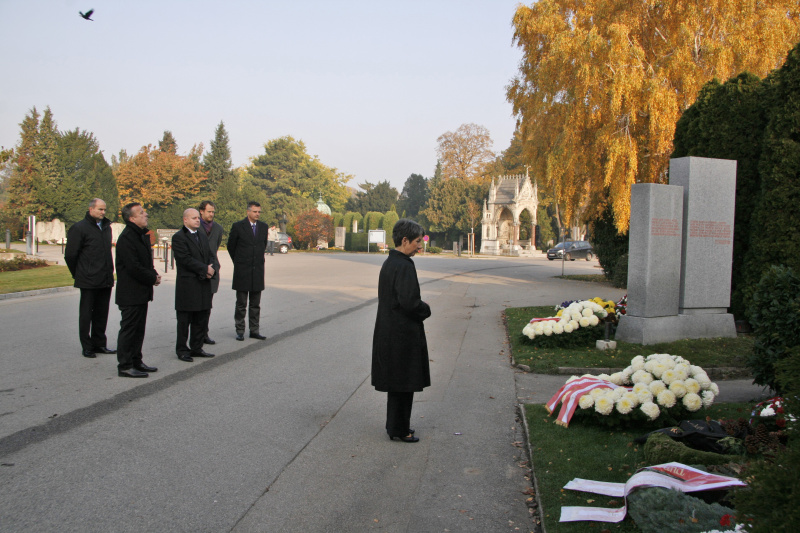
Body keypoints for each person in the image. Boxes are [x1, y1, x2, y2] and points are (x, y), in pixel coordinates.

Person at [371, 219, 431, 443]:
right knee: (404, 383)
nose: (419, 246)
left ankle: (396, 426)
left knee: (398, 384)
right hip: (402, 333)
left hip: (390, 330)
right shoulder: (404, 265)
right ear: (404, 240)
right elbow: (410, 303)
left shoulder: (390, 262)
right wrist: (426, 309)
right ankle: (400, 429)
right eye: (417, 242)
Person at [64, 198, 116, 358]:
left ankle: (99, 343)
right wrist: (79, 273)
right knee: (87, 314)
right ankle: (87, 346)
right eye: (100, 209)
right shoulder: (79, 228)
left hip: (105, 277)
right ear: (91, 209)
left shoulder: (106, 228)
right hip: (88, 279)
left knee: (102, 313)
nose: (103, 212)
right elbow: (71, 255)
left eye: (104, 210)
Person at [115, 202, 161, 378]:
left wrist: (154, 274)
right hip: (130, 293)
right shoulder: (127, 238)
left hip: (141, 292)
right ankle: (125, 365)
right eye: (141, 213)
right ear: (132, 218)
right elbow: (133, 267)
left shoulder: (140, 236)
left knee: (139, 329)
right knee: (129, 329)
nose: (146, 214)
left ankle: (136, 360)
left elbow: (145, 263)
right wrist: (152, 278)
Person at [172, 208, 216, 362]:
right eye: (194, 218)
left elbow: (210, 255)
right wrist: (205, 269)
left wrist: (212, 269)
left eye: (198, 218)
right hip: (188, 284)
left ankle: (197, 347)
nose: (198, 220)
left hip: (203, 283)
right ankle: (182, 350)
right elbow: (185, 259)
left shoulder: (201, 236)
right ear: (185, 220)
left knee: (201, 317)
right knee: (185, 320)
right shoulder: (179, 237)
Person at [227, 201, 269, 341]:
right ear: (248, 212)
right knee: (241, 304)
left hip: (257, 270)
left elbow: (262, 245)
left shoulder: (263, 227)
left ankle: (254, 330)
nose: (257, 214)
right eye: (255, 211)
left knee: (255, 304)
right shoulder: (238, 226)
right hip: (242, 270)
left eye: (259, 212)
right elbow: (231, 246)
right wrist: (239, 262)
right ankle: (240, 330)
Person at [199, 200, 223, 344]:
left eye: (213, 211)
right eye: (209, 211)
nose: (211, 214)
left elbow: (215, 247)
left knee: (208, 305)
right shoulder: (195, 227)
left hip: (213, 270)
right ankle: (196, 334)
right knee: (197, 305)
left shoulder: (218, 228)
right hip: (198, 270)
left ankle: (204, 333)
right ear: (201, 211)